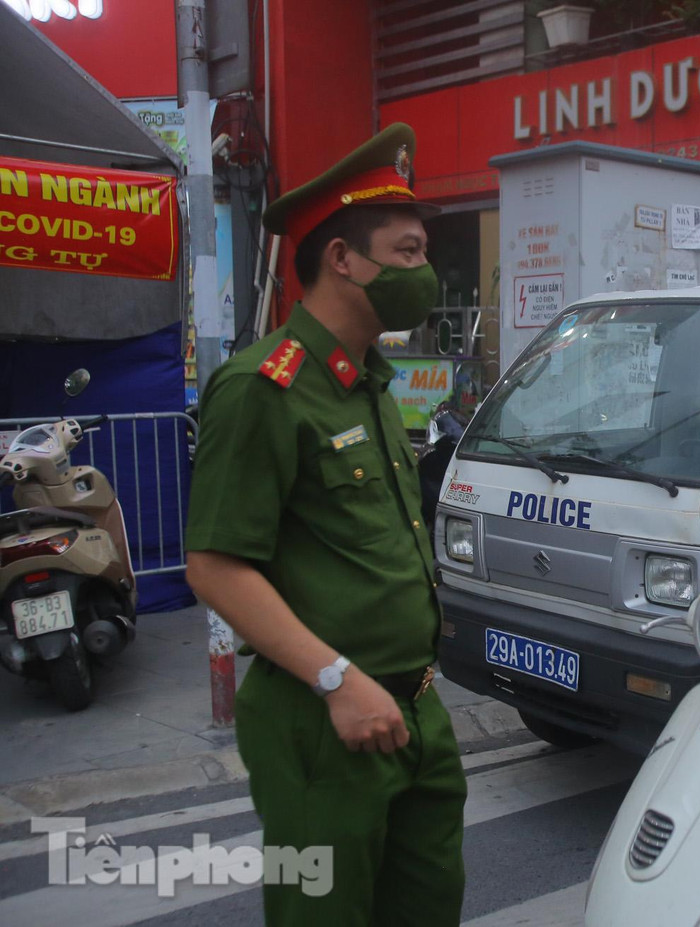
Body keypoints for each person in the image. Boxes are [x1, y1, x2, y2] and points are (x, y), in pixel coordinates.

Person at [184, 124, 467, 926]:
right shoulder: (262, 388)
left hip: (412, 707)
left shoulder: (374, 383)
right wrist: (338, 681)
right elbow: (214, 564)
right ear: (343, 259)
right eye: (406, 251)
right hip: (324, 720)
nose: (423, 270)